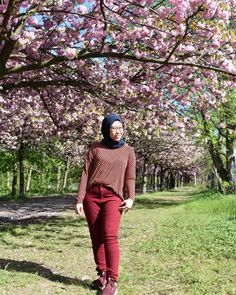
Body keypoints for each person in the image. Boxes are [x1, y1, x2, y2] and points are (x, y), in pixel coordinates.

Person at [75, 113, 136, 295]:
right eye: (113, 128)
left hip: (113, 197)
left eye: (120, 128)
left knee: (110, 236)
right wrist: (80, 199)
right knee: (96, 237)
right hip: (92, 197)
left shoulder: (128, 151)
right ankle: (102, 274)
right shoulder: (94, 148)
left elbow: (130, 176)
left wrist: (131, 197)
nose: (118, 132)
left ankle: (112, 280)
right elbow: (85, 173)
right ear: (106, 129)